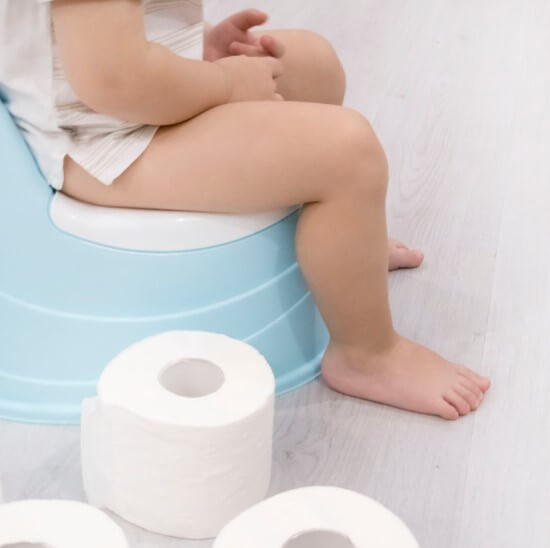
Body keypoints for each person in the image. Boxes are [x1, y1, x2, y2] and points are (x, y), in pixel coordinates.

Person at [0, 0, 490, 419]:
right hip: (102, 143)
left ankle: (347, 248)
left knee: (313, 64)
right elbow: (114, 80)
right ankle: (368, 355)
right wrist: (222, 84)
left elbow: (124, 32)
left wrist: (200, 48)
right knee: (347, 154)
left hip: (133, 101)